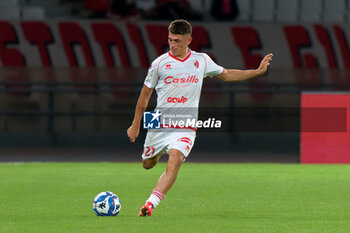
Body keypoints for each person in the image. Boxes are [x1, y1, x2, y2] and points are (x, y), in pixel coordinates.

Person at [127, 19, 273, 217]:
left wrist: (256, 72)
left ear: (189, 40)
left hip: (186, 125)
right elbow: (144, 96)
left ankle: (150, 204)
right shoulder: (159, 64)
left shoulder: (202, 60)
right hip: (159, 122)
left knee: (176, 158)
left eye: (177, 41)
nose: (173, 44)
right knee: (147, 164)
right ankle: (158, 151)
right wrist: (136, 125)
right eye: (170, 40)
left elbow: (227, 74)